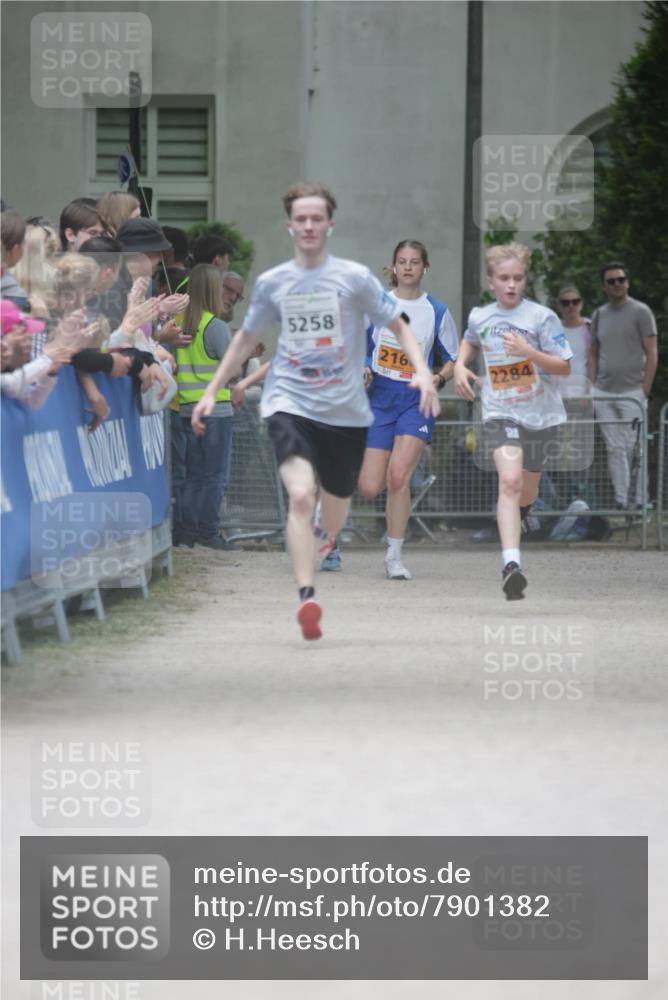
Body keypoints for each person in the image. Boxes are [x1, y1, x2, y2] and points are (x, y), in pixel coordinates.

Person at [192, 181, 439, 640]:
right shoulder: (274, 283)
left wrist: (424, 372)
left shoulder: (356, 280)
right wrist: (218, 387)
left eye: (317, 218)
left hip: (342, 410)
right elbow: (247, 340)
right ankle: (308, 597)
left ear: (330, 225)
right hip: (290, 403)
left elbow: (399, 326)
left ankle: (327, 538)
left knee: (340, 496)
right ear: (291, 226)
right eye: (300, 219)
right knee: (303, 493)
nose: (308, 226)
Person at [329, 238, 457, 580]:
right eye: (402, 261)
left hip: (416, 398)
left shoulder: (437, 311)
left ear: (425, 267)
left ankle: (394, 555)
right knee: (371, 486)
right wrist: (362, 367)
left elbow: (453, 360)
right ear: (394, 267)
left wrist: (438, 378)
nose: (408, 267)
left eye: (415, 261)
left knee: (399, 476)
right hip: (380, 396)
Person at [454, 243, 572, 600]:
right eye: (504, 278)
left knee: (526, 490)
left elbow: (564, 366)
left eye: (518, 278)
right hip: (499, 410)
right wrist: (459, 366)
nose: (511, 285)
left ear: (525, 280)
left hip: (541, 414)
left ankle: (522, 512)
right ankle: (511, 566)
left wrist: (529, 353)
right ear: (491, 281)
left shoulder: (541, 317)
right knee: (508, 480)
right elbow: (470, 341)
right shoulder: (481, 317)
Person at [172, 264, 234, 549]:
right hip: (216, 411)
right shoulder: (215, 326)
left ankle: (188, 531)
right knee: (214, 476)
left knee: (194, 475)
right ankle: (209, 532)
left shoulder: (180, 326)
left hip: (187, 408)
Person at [588, 261, 658, 508]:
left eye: (621, 279)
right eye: (611, 281)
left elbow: (652, 351)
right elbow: (593, 352)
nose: (617, 284)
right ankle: (621, 500)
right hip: (604, 392)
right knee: (614, 448)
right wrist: (592, 386)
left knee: (635, 447)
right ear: (604, 286)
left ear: (627, 282)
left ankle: (639, 502)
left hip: (632, 392)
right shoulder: (599, 315)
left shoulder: (641, 311)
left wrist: (645, 388)